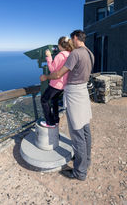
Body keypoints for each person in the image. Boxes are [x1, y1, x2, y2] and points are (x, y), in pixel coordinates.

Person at [40, 30, 94, 181]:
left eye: (72, 38)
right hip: (83, 93)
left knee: (77, 135)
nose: (71, 41)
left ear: (76, 38)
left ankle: (80, 172)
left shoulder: (76, 54)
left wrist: (45, 77)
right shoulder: (90, 53)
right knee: (85, 130)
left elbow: (57, 74)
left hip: (75, 95)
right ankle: (86, 161)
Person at [40, 36, 74, 128]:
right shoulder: (70, 54)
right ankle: (56, 120)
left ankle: (50, 122)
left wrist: (49, 56)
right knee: (54, 100)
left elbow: (52, 69)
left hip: (56, 84)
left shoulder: (60, 55)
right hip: (64, 84)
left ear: (59, 46)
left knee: (44, 100)